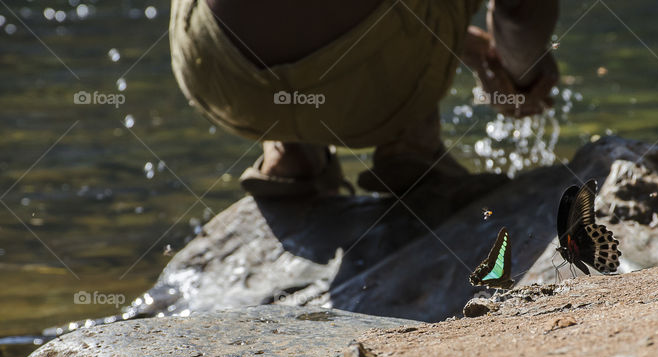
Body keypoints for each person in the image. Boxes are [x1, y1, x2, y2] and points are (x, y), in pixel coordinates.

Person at [169, 0, 559, 209]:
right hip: (380, 92)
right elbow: (519, 15)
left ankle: (292, 149)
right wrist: (521, 80)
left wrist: (464, 44)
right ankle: (410, 140)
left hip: (218, 77)